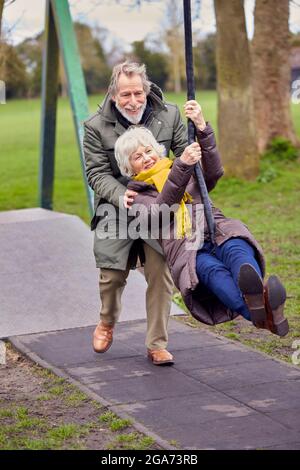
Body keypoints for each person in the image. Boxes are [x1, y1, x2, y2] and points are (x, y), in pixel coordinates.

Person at [114, 101, 289, 337]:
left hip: (216, 229)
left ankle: (257, 300)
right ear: (129, 168)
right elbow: (162, 208)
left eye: (148, 151)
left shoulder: (180, 167)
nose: (146, 158)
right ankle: (264, 312)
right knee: (213, 273)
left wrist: (201, 128)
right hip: (188, 249)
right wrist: (183, 166)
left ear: (157, 150)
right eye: (137, 157)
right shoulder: (136, 197)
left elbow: (213, 172)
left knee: (238, 250)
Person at [83, 61, 188, 365]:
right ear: (114, 95)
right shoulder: (95, 127)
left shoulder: (169, 114)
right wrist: (119, 194)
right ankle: (106, 321)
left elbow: (183, 153)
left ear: (146, 89)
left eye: (138, 93)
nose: (133, 101)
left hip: (157, 203)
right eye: (125, 95)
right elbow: (96, 173)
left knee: (160, 272)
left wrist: (199, 132)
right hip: (118, 205)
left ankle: (157, 343)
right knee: (111, 274)